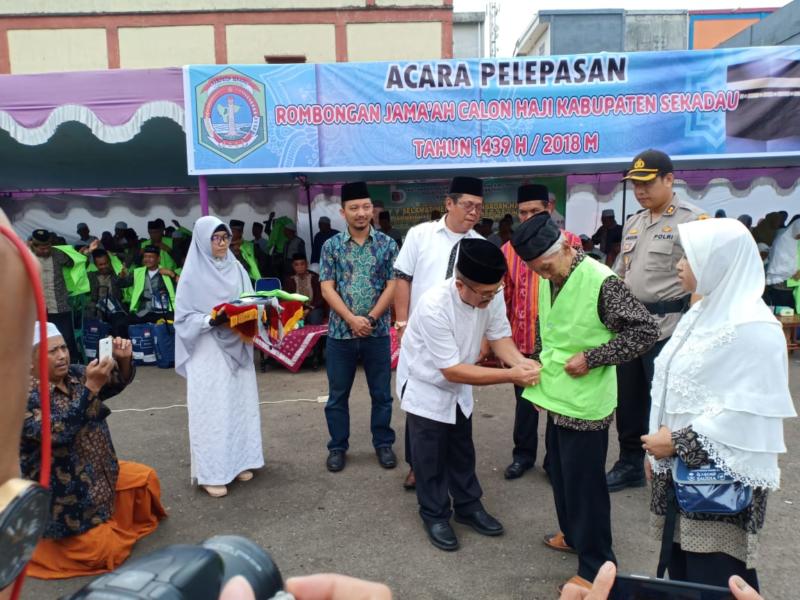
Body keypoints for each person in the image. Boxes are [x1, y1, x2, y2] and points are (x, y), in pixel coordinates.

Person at [642, 218, 795, 591]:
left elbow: (750, 418)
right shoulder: (701, 312)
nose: (679, 265)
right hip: (680, 473)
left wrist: (675, 444)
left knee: (718, 576)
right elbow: (670, 385)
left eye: (690, 257)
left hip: (720, 489)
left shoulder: (755, 328)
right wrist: (657, 456)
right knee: (685, 574)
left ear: (720, 262)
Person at [511, 213, 658, 590]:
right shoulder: (550, 275)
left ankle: (597, 565)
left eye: (545, 267)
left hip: (587, 402)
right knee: (559, 474)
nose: (543, 275)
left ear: (564, 247)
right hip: (557, 396)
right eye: (536, 270)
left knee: (585, 485)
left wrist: (593, 357)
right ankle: (573, 536)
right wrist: (539, 379)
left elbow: (645, 331)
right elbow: (551, 330)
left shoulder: (601, 281)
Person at [399, 238, 540, 551]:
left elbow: (499, 335)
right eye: (485, 294)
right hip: (427, 386)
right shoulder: (434, 305)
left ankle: (467, 506)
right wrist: (510, 375)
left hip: (461, 383)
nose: (491, 298)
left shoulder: (491, 291)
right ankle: (434, 513)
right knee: (430, 456)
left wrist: (522, 363)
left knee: (462, 448)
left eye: (495, 291)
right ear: (461, 285)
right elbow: (451, 370)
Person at [21, 323, 166, 579]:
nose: (63, 355)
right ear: (30, 361)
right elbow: (59, 432)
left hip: (101, 476)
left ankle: (107, 522)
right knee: (104, 551)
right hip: (65, 499)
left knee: (145, 480)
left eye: (64, 347)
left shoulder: (75, 375)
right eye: (52, 351)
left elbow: (112, 384)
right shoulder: (21, 396)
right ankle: (42, 543)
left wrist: (122, 362)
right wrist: (91, 389)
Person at [607, 149, 707, 493]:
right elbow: (622, 271)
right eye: (635, 184)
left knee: (665, 402)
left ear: (669, 179)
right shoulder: (634, 222)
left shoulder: (693, 221)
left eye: (647, 183)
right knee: (629, 400)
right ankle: (629, 463)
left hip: (669, 327)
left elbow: (705, 279)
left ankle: (667, 466)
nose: (640, 190)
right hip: (630, 328)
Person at [393, 176, 486, 490]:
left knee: (456, 400)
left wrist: (484, 338)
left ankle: (449, 467)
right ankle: (417, 466)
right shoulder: (421, 235)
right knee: (419, 401)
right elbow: (402, 278)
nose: (473, 212)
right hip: (420, 335)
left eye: (479, 207)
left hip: (459, 335)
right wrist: (403, 323)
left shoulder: (480, 246)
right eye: (467, 205)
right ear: (449, 203)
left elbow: (490, 299)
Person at [174, 216, 264, 498]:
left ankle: (239, 463)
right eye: (216, 238)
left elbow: (249, 298)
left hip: (237, 342)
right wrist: (211, 321)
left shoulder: (236, 268)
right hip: (207, 349)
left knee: (238, 404)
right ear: (203, 240)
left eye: (225, 238)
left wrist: (260, 308)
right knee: (212, 409)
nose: (223, 243)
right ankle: (211, 473)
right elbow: (183, 318)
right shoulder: (192, 274)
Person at [501, 184, 582, 481]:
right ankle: (522, 456)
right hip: (522, 341)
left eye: (535, 211)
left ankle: (553, 460)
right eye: (523, 212)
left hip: (559, 342)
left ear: (549, 209)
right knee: (525, 401)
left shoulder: (570, 243)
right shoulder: (508, 251)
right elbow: (504, 298)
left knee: (556, 403)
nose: (528, 217)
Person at [319, 181, 398, 473]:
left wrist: (372, 318)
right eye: (354, 208)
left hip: (377, 333)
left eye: (366, 207)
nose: (361, 213)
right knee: (337, 395)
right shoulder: (331, 246)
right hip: (341, 335)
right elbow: (327, 288)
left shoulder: (388, 244)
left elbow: (393, 285)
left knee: (382, 394)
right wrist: (352, 320)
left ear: (372, 209)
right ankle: (337, 447)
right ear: (343, 212)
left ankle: (383, 444)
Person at [28, 228, 90, 361]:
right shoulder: (26, 255)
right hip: (35, 307)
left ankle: (72, 367)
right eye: (42, 248)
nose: (45, 250)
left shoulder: (57, 254)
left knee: (66, 338)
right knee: (37, 340)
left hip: (60, 304)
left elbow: (76, 263)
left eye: (47, 247)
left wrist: (84, 254)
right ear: (33, 245)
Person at [87, 248, 131, 337]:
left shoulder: (116, 275)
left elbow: (129, 258)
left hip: (115, 309)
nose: (104, 266)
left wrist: (116, 254)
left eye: (106, 263)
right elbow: (79, 266)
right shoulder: (91, 276)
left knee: (120, 322)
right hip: (96, 309)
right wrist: (87, 253)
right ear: (95, 265)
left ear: (110, 262)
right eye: (100, 264)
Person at [128, 246, 178, 324]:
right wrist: (121, 277)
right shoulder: (138, 272)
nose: (147, 259)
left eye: (151, 257)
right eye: (145, 257)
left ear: (158, 259)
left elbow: (182, 284)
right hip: (144, 311)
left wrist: (172, 274)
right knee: (124, 323)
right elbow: (122, 283)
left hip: (163, 311)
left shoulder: (166, 272)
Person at [764, 219, 800, 309]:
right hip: (782, 280)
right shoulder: (784, 239)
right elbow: (780, 261)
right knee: (784, 309)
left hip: (791, 280)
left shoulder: (786, 236)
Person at [284, 253, 327, 325]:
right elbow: (286, 298)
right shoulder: (290, 280)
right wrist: (298, 311)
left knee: (315, 319)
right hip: (296, 309)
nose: (299, 267)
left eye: (302, 264)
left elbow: (320, 298)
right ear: (293, 266)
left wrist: (308, 309)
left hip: (313, 308)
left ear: (307, 264)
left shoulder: (315, 278)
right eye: (296, 265)